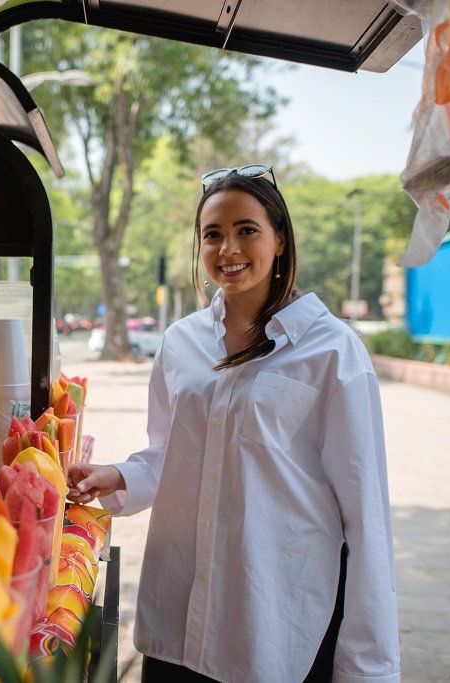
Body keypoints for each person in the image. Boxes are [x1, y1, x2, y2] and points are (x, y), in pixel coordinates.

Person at [67, 165, 400, 683]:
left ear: (280, 241)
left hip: (275, 624)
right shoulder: (181, 342)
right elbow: (174, 450)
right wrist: (121, 475)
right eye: (212, 235)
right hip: (178, 619)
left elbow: (366, 515)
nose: (228, 249)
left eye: (247, 230)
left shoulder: (332, 351)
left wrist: (368, 667)